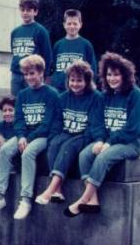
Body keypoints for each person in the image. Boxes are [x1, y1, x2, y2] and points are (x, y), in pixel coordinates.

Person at [65, 53, 140, 217]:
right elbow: (97, 123)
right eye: (109, 74)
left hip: (131, 143)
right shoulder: (105, 96)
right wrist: (100, 140)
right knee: (84, 155)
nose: (112, 78)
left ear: (125, 75)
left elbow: (133, 129)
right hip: (108, 141)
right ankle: (93, 200)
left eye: (116, 74)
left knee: (103, 158)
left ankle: (82, 200)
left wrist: (109, 143)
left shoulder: (136, 95)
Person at [0, 54, 61, 220]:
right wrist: (20, 136)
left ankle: (26, 199)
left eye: (32, 73)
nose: (29, 77)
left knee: (28, 153)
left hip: (43, 135)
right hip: (24, 135)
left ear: (41, 73)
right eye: (26, 74)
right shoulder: (22, 95)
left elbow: (47, 123)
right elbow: (18, 120)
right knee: (5, 149)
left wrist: (29, 138)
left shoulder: (52, 94)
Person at [36, 60, 102, 205]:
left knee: (67, 147)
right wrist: (54, 137)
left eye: (79, 80)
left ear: (87, 81)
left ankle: (50, 190)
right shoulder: (63, 98)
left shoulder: (95, 97)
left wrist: (98, 139)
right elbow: (57, 122)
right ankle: (58, 191)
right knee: (54, 145)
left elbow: (95, 124)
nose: (75, 84)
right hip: (67, 133)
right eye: (72, 80)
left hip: (85, 135)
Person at [9, 0, 52, 95]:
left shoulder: (41, 31)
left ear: (35, 12)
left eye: (28, 10)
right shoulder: (15, 32)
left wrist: (43, 76)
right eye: (23, 10)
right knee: (16, 103)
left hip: (33, 74)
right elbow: (14, 52)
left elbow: (47, 56)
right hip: (16, 74)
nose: (25, 13)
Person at [50, 9, 98, 91]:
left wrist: (89, 88)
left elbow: (92, 70)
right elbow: (54, 67)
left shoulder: (86, 45)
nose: (72, 26)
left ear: (81, 25)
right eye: (69, 24)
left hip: (78, 90)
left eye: (75, 24)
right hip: (59, 91)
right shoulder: (58, 45)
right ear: (64, 25)